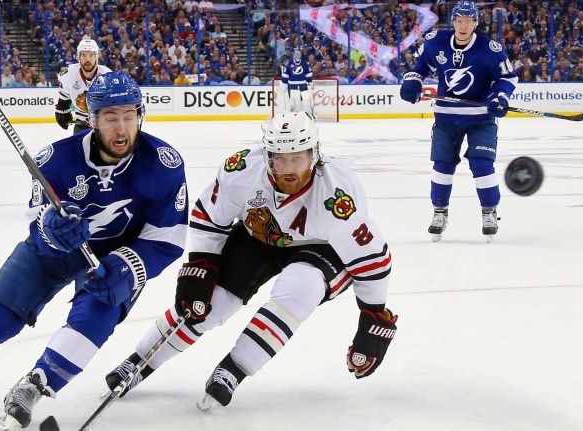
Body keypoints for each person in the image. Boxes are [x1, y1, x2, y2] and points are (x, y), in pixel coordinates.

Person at [0, 71, 188, 430]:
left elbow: (168, 237)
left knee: (95, 318)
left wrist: (129, 267)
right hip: (57, 249)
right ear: (92, 119)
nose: (122, 128)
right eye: (110, 118)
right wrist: (52, 229)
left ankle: (35, 386)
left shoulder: (162, 164)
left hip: (117, 258)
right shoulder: (57, 158)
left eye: (129, 116)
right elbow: (37, 215)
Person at [104, 112, 397, 410]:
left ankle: (233, 370)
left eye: (297, 158)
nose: (288, 169)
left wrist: (373, 315)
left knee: (300, 288)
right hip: (258, 238)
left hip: (322, 248)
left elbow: (370, 258)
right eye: (280, 159)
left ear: (315, 155)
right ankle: (139, 362)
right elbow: (210, 217)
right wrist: (202, 264)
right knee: (209, 304)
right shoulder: (242, 168)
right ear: (267, 156)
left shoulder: (338, 192)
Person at [399, 0, 517, 242]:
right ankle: (439, 212)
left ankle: (489, 212)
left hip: (481, 118)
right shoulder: (435, 42)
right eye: (459, 20)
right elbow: (420, 66)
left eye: (469, 21)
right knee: (442, 166)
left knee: (482, 165)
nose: (463, 25)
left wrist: (500, 96)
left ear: (476, 22)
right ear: (452, 22)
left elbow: (507, 78)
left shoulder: (490, 49)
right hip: (446, 116)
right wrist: (413, 81)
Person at [55, 38, 112, 134]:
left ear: (96, 57)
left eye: (91, 55)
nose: (87, 59)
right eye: (84, 55)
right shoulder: (68, 74)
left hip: (104, 125)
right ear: (78, 57)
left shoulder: (108, 76)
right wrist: (62, 109)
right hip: (81, 125)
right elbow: (64, 98)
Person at [279, 49, 314, 118]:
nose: (297, 56)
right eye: (296, 55)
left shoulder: (304, 63)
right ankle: (291, 115)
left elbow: (308, 73)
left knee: (305, 100)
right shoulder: (289, 63)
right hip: (292, 86)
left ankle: (306, 115)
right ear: (293, 56)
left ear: (300, 56)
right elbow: (286, 74)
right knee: (292, 101)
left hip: (303, 85)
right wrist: (284, 84)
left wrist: (310, 82)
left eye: (298, 55)